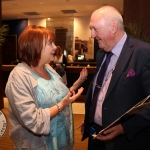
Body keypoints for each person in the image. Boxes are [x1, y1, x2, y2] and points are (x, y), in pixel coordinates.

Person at [5, 25, 88, 150]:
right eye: (50, 43)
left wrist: (78, 83)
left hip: (61, 142)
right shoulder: (18, 77)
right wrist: (62, 105)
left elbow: (59, 94)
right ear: (35, 46)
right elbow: (33, 121)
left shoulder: (48, 68)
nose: (55, 47)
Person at [80, 6, 150, 150]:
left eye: (95, 29)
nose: (92, 35)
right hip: (95, 137)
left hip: (125, 142)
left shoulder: (144, 53)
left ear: (113, 28)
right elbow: (101, 91)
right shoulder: (101, 54)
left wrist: (124, 128)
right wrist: (91, 118)